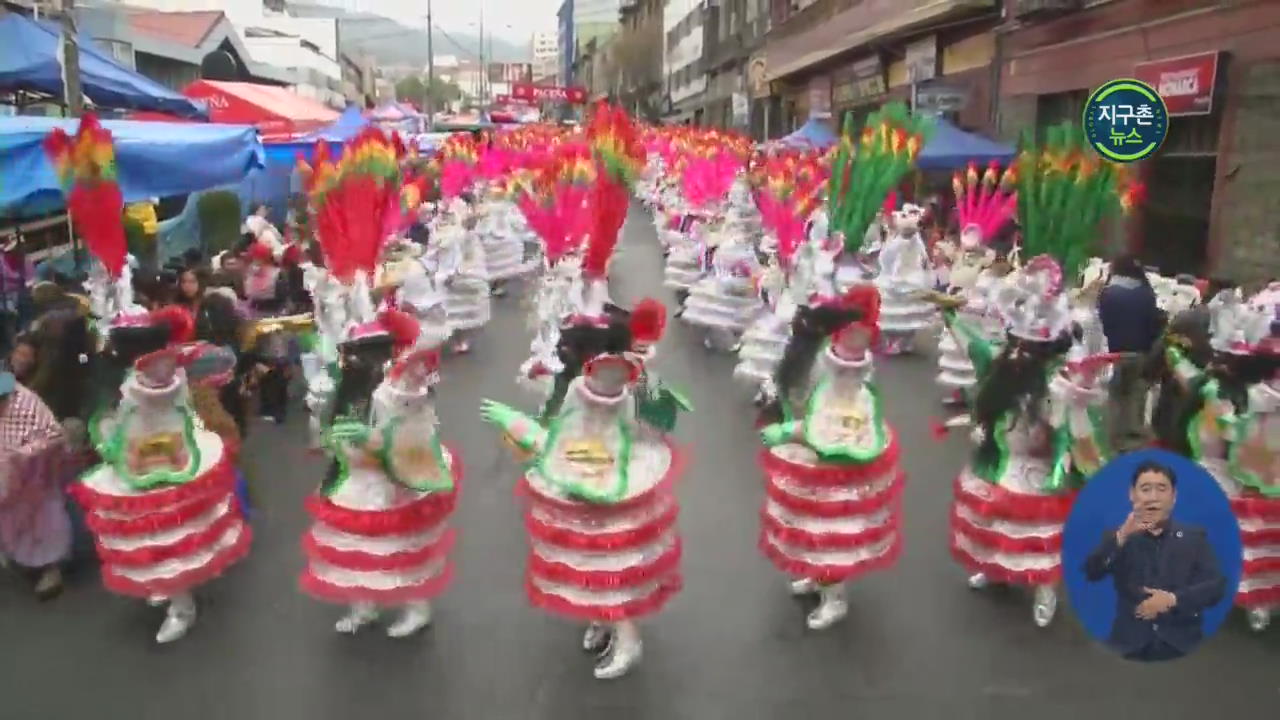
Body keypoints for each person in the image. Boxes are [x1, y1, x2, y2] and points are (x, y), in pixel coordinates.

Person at [1084, 461, 1227, 661]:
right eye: (1145, 489)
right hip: (1128, 644)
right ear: (1132, 494)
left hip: (1184, 644)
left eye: (1161, 489)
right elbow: (1092, 572)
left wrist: (1172, 600)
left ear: (1173, 497)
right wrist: (1122, 536)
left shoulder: (1194, 538)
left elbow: (1216, 587)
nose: (1153, 497)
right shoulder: (1116, 537)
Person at [0, 370, 70, 599]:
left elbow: (53, 436)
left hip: (35, 475)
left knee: (43, 521)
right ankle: (25, 559)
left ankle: (51, 570)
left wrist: (23, 453)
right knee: (12, 518)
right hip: (8, 476)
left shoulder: (26, 404)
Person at [1098, 255, 1163, 451]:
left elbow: (1102, 324)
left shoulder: (1109, 293)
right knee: (1135, 395)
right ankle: (1132, 437)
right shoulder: (1146, 293)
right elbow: (1152, 325)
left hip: (1114, 353)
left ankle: (1113, 438)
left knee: (1116, 395)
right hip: (1140, 352)